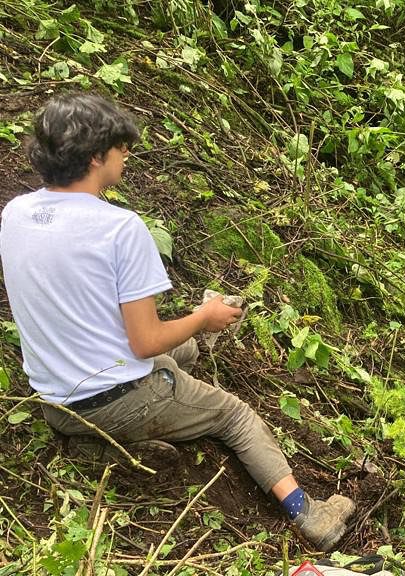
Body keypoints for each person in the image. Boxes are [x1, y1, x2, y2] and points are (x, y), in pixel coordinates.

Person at [0, 93, 355, 551]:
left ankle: (99, 446)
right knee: (235, 416)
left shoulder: (17, 212)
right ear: (94, 157)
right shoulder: (119, 228)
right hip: (115, 401)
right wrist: (205, 317)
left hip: (57, 402)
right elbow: (145, 342)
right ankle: (310, 515)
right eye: (118, 146)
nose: (126, 154)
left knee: (181, 353)